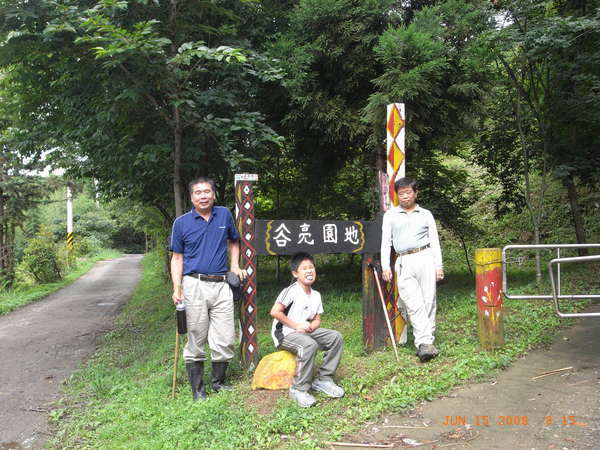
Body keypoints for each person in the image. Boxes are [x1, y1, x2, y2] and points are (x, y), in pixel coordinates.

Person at [170, 176, 246, 400]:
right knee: (195, 334)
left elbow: (234, 241)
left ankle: (218, 382)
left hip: (222, 283)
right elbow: (176, 258)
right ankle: (197, 389)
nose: (203, 196)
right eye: (198, 192)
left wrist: (234, 265)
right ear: (191, 197)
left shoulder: (223, 214)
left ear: (214, 194)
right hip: (194, 284)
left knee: (225, 337)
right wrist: (177, 287)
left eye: (207, 192)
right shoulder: (181, 223)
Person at [380, 177, 444, 362]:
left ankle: (427, 341)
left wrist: (438, 265)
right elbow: (386, 243)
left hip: (425, 257)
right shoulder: (390, 215)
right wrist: (386, 266)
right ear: (397, 195)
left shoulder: (425, 214)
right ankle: (424, 343)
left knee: (428, 300)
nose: (405, 196)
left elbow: (435, 241)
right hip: (403, 260)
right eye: (401, 193)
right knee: (413, 302)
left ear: (416, 193)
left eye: (408, 192)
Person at [270, 252, 344, 408]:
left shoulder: (316, 295)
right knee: (309, 345)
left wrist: (313, 326)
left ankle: (324, 379)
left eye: (311, 267)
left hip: (304, 331)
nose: (309, 271)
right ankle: (298, 389)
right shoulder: (291, 290)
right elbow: (275, 312)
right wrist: (296, 325)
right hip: (285, 333)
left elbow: (317, 318)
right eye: (304, 268)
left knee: (335, 337)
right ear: (295, 273)